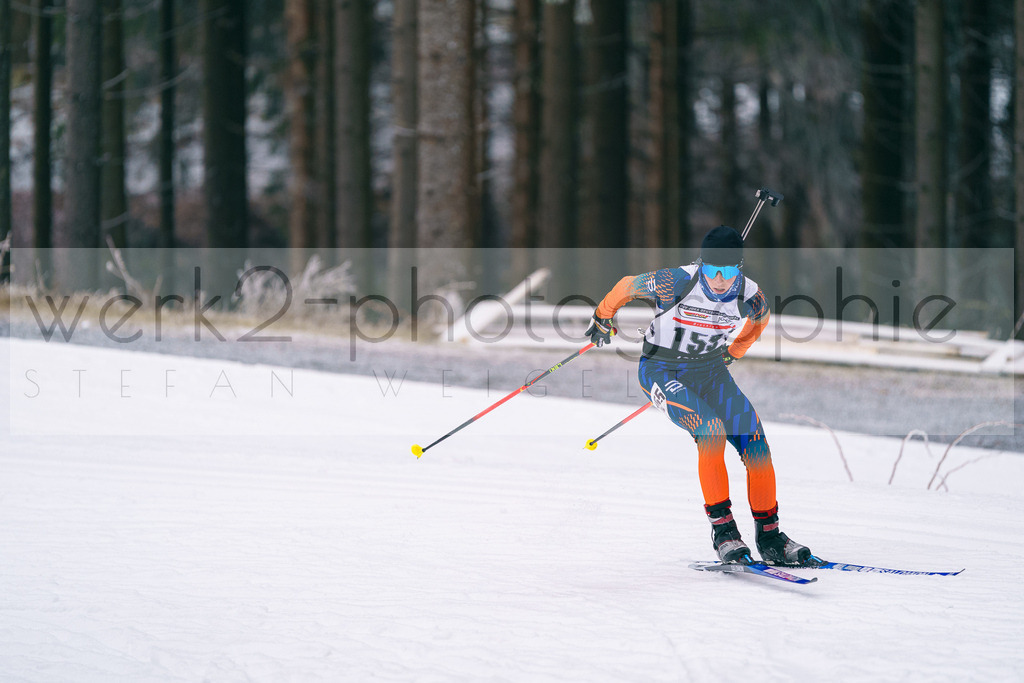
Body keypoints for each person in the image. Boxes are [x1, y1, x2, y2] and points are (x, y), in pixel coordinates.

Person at [585, 225, 812, 566]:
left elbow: (760, 319)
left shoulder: (750, 295)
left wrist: (734, 352)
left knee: (757, 444)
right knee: (710, 430)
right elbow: (626, 286)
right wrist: (603, 315)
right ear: (702, 264)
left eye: (729, 270)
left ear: (740, 267)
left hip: (710, 372)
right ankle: (724, 533)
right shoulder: (676, 281)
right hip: (662, 370)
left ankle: (771, 537)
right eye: (713, 270)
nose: (720, 279)